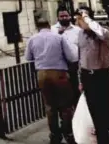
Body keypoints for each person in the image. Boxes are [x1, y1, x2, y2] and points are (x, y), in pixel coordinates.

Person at [25, 16, 78, 144]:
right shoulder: (59, 38)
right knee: (66, 106)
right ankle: (68, 132)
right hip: (59, 73)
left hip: (42, 74)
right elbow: (71, 57)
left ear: (37, 27)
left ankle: (54, 134)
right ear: (49, 25)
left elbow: (28, 57)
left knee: (50, 106)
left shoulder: (32, 39)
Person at [75, 6, 109, 144]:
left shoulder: (103, 33)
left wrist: (87, 18)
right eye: (78, 18)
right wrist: (81, 80)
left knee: (106, 117)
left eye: (80, 18)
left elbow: (98, 31)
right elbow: (80, 58)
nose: (78, 21)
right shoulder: (80, 34)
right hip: (88, 77)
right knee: (95, 117)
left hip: (103, 77)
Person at [52, 6, 82, 104]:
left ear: (70, 16)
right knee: (62, 91)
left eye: (66, 15)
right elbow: (51, 46)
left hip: (74, 64)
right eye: (61, 16)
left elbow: (81, 46)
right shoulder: (52, 30)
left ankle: (77, 112)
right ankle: (66, 116)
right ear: (58, 18)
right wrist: (59, 35)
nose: (64, 18)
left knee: (75, 88)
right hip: (59, 66)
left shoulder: (77, 30)